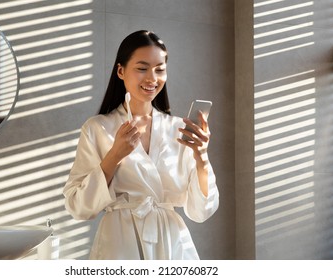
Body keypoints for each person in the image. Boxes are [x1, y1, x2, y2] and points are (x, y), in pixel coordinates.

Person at [63, 30, 219, 260]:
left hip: (173, 244)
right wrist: (114, 155)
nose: (152, 78)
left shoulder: (178, 129)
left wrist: (202, 158)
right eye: (142, 68)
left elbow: (201, 211)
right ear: (121, 71)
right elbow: (78, 206)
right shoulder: (98, 128)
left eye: (160, 69)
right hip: (119, 244)